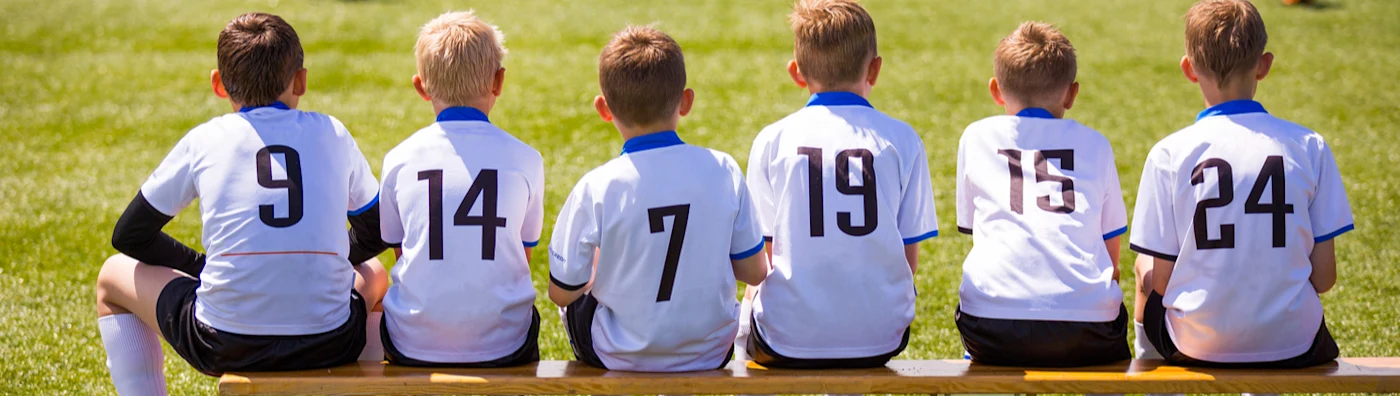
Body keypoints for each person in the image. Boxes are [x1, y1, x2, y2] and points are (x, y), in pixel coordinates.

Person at [95, 13, 389, 395]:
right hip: (330, 340)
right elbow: (378, 229)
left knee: (112, 276)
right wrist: (327, 260)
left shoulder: (205, 140)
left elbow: (130, 235)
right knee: (375, 273)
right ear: (301, 80)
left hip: (225, 342)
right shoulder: (331, 131)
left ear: (218, 85)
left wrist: (199, 267)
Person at [1130, 0, 1353, 368]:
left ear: (1188, 69)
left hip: (1197, 343)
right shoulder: (1308, 144)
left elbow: (1162, 283)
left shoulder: (1169, 153)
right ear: (1264, 65)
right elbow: (1325, 277)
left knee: (1144, 266)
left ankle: (1161, 389)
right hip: (1295, 343)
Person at [547, 26, 769, 372]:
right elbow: (754, 272)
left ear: (603, 109)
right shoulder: (723, 169)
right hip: (710, 351)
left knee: (581, 284)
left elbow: (561, 293)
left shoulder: (598, 186)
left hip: (620, 353)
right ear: (686, 101)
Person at [742, 0, 939, 369]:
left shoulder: (772, 140)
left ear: (796, 73)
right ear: (875, 69)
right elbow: (908, 262)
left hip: (788, 337)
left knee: (750, 303)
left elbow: (762, 259)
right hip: (880, 336)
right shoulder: (902, 139)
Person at [953, 21, 1131, 367]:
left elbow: (978, 232)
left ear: (996, 90)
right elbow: (1111, 260)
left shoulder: (976, 136)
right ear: (1072, 93)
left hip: (991, 325)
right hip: (1087, 328)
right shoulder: (1095, 143)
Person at [377, 11, 543, 367]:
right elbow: (523, 256)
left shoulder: (399, 158)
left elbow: (400, 250)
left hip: (413, 344)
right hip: (505, 343)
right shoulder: (525, 158)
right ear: (499, 82)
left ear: (421, 87)